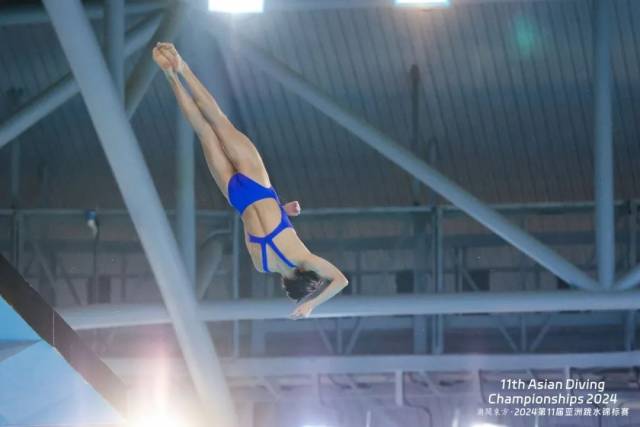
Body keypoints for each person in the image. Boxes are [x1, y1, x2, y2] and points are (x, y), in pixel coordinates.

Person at [153, 43, 348, 319]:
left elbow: (341, 281)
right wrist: (281, 213)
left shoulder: (304, 258)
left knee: (219, 121)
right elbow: (252, 222)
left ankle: (182, 67)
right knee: (204, 132)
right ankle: (170, 75)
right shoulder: (261, 264)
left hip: (259, 185)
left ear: (305, 273)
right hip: (238, 196)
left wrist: (312, 304)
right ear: (286, 283)